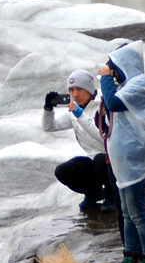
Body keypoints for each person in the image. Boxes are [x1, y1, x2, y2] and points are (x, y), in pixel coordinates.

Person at [98, 42, 145, 263]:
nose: (111, 71)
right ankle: (131, 256)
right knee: (127, 212)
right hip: (125, 160)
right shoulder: (128, 85)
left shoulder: (140, 84)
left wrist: (105, 79)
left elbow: (113, 103)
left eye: (113, 66)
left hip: (136, 159)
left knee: (137, 211)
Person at [42, 69, 116, 215]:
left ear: (89, 90)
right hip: (93, 159)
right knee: (62, 170)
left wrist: (80, 115)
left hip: (111, 159)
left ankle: (111, 196)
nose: (75, 94)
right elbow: (50, 127)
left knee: (100, 160)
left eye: (80, 89)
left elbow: (103, 137)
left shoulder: (102, 106)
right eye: (72, 90)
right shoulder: (74, 111)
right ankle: (94, 193)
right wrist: (48, 109)